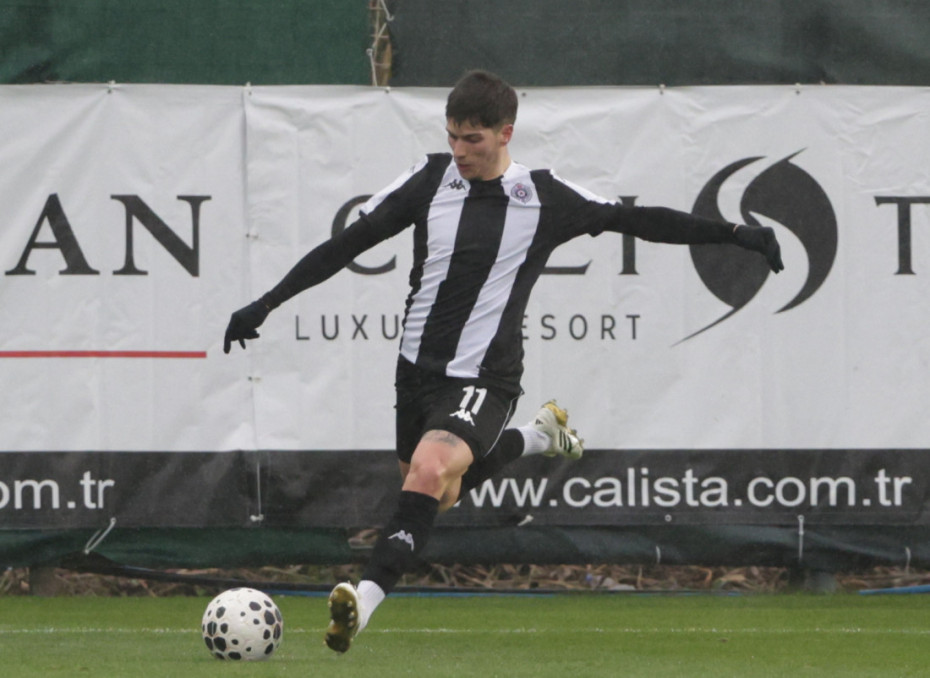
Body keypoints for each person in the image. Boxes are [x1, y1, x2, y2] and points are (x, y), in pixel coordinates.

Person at [223, 69, 784, 653]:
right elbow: (347, 245)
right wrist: (267, 303)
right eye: (452, 137)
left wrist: (735, 233)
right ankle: (536, 438)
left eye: (473, 139)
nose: (460, 151)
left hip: (485, 373)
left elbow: (637, 220)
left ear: (505, 133)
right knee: (437, 493)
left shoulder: (543, 196)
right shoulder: (429, 180)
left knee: (429, 471)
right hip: (416, 371)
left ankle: (362, 602)